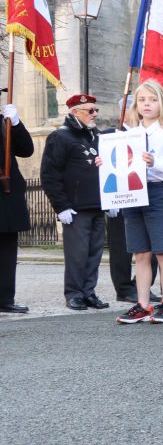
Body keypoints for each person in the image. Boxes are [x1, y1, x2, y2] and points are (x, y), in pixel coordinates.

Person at [117, 81, 163, 324]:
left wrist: (154, 162)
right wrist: (107, 165)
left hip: (156, 192)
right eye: (142, 100)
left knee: (162, 250)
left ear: (161, 103)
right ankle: (142, 304)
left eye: (152, 100)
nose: (147, 104)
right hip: (133, 193)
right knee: (140, 253)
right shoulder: (128, 134)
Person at [40, 92, 109, 310]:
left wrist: (112, 200)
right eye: (90, 110)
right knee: (77, 254)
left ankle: (89, 292)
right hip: (76, 207)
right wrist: (61, 206)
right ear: (74, 112)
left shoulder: (96, 137)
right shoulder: (61, 137)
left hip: (97, 204)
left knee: (94, 253)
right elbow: (49, 175)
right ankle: (74, 293)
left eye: (96, 110)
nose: (94, 114)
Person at [0, 101, 34, 313]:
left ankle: (4, 298)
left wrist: (16, 123)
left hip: (6, 194)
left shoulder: (4, 122)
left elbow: (26, 150)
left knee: (6, 250)